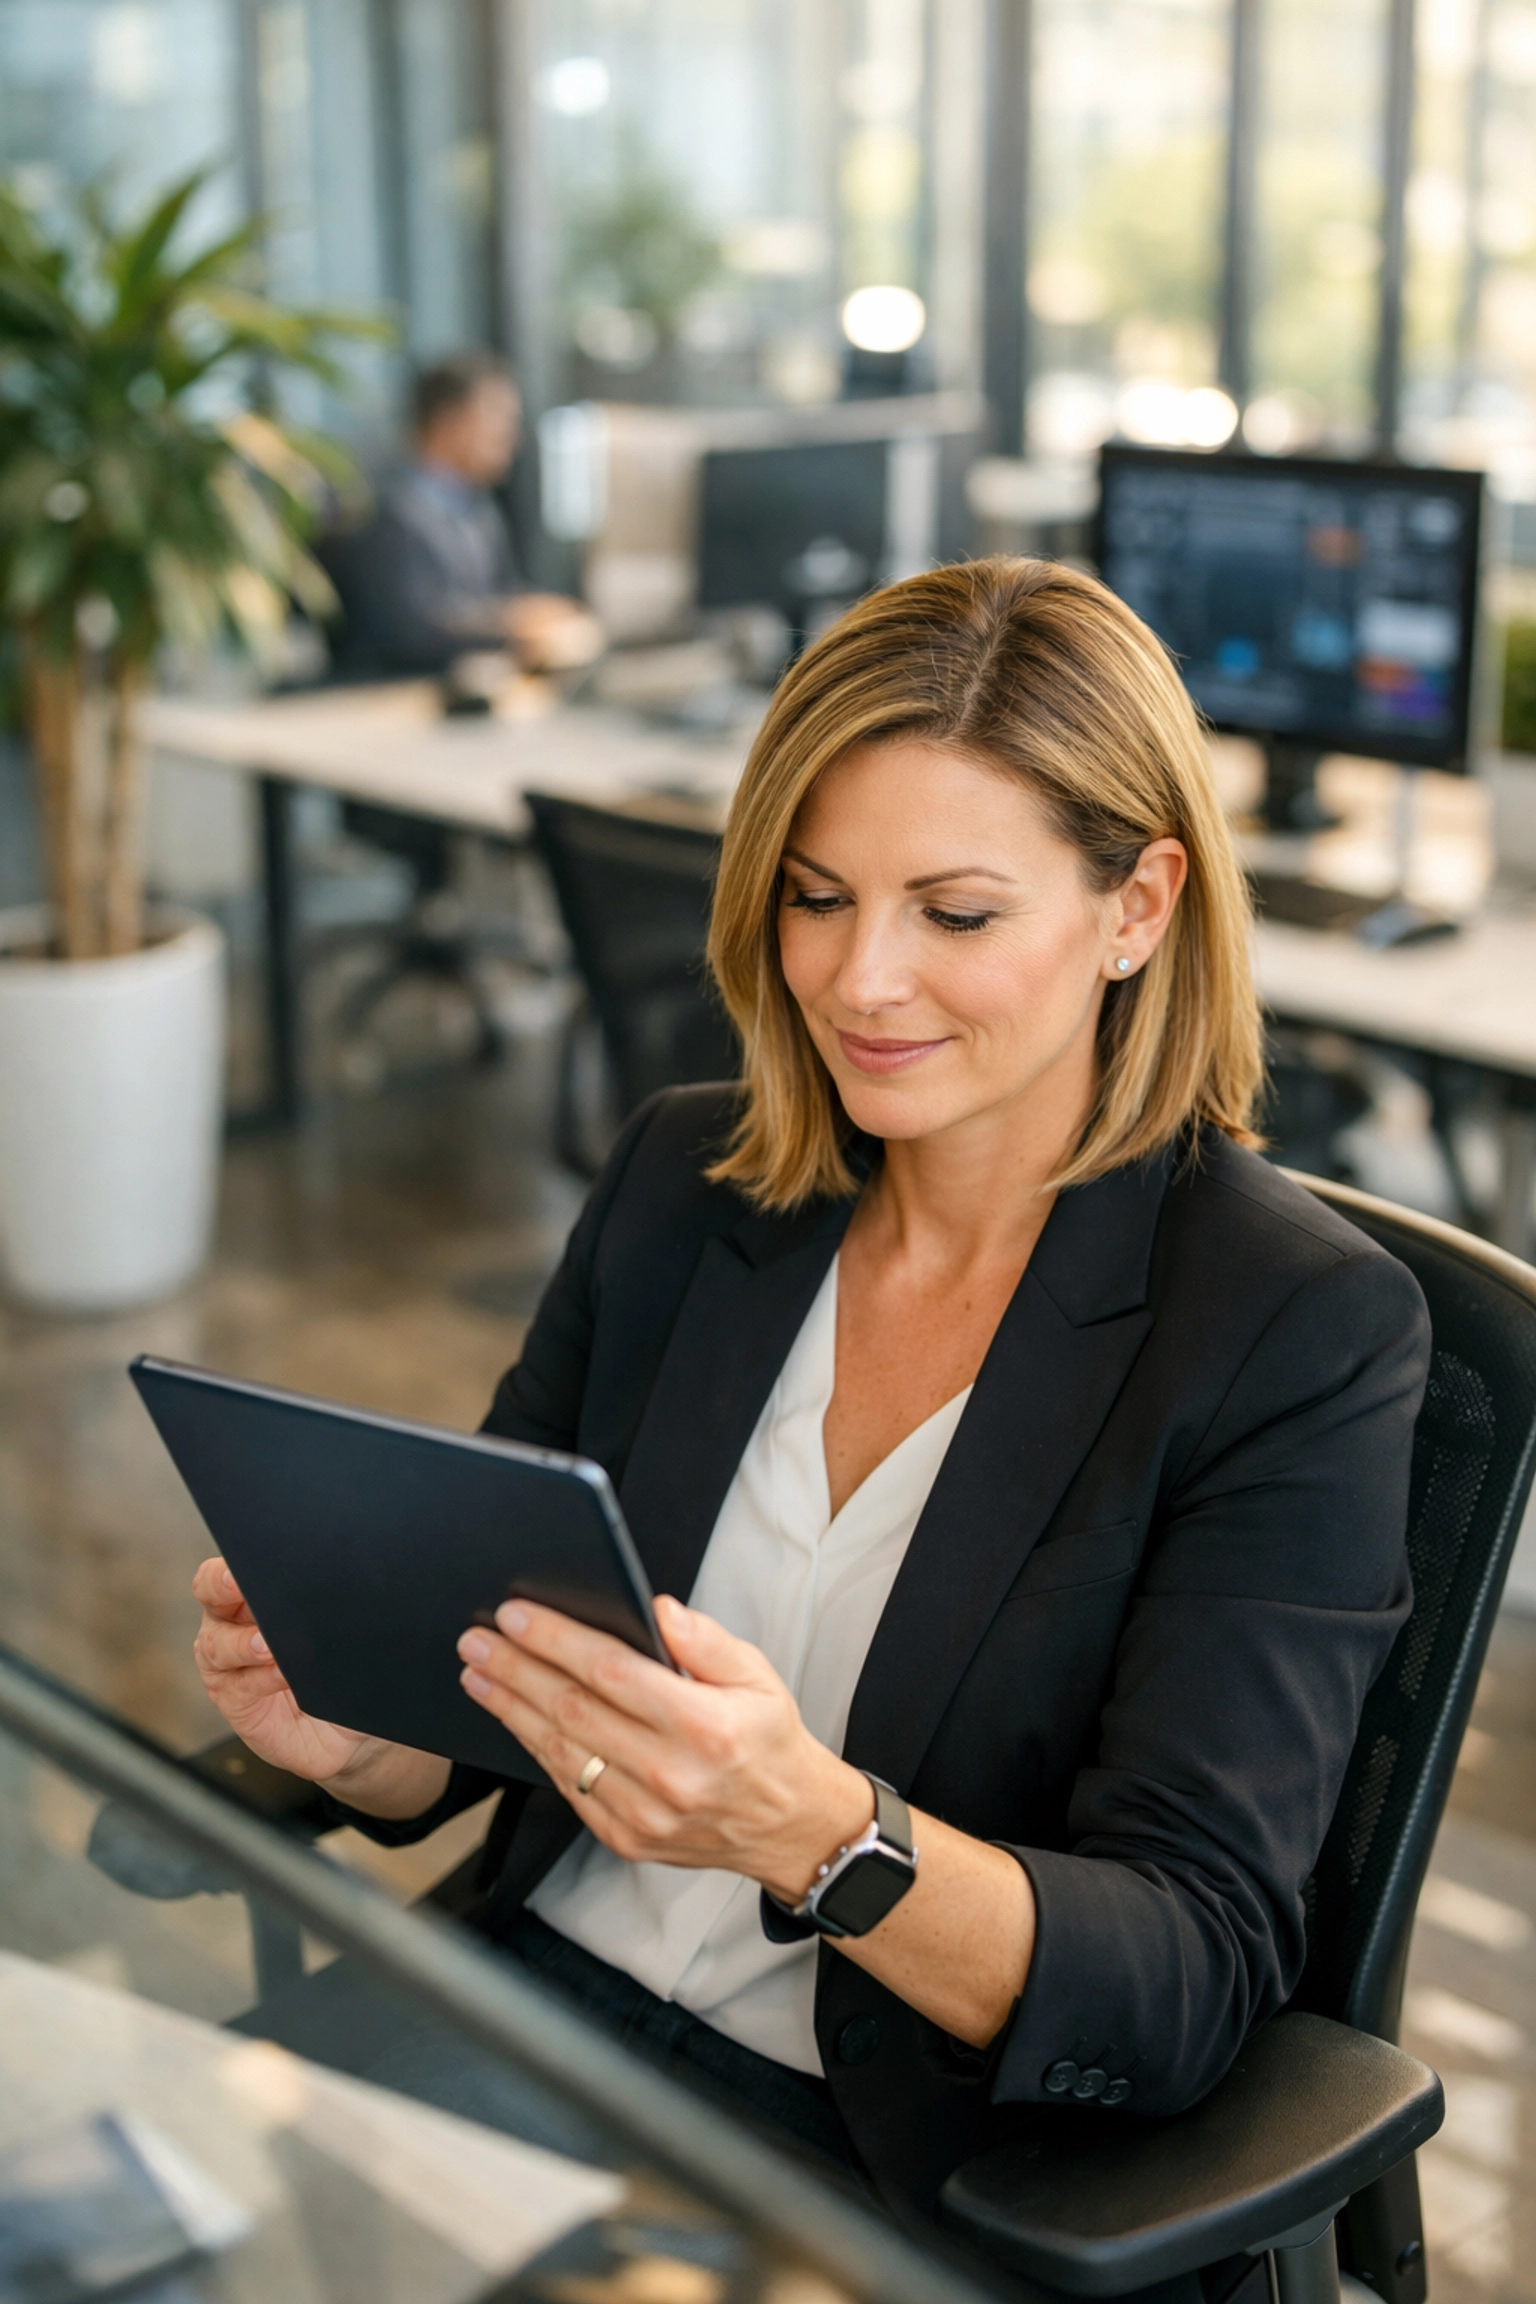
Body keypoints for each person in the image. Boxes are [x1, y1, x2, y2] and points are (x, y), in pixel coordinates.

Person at [192, 558, 1429, 2239]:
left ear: (1137, 906)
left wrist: (822, 1832)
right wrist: (367, 1733)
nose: (858, 980)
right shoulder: (687, 1182)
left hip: (877, 2151)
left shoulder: (1293, 1328)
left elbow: (1187, 1969)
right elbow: (496, 1678)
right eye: (816, 894)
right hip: (517, 2007)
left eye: (956, 911)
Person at [325, 350, 597, 677]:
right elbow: (409, 629)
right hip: (389, 701)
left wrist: (542, 613)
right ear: (449, 420)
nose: (511, 437)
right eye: (498, 419)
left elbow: (501, 591)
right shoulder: (386, 512)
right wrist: (514, 627)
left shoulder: (478, 509)